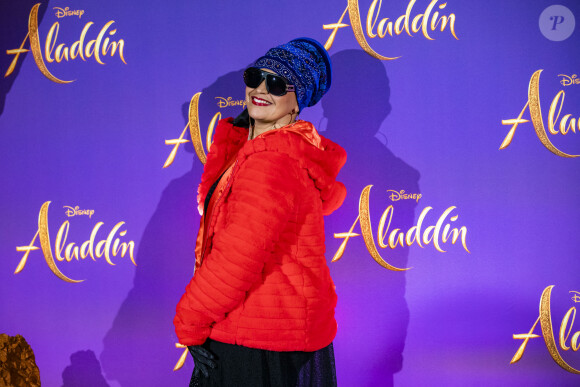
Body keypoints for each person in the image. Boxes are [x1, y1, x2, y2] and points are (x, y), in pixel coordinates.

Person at [174, 38, 346, 387]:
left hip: (253, 340)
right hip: (275, 335)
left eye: (278, 83)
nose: (261, 89)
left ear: (299, 101)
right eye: (255, 76)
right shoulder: (271, 154)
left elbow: (235, 260)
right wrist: (236, 138)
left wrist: (189, 321)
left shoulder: (271, 163)